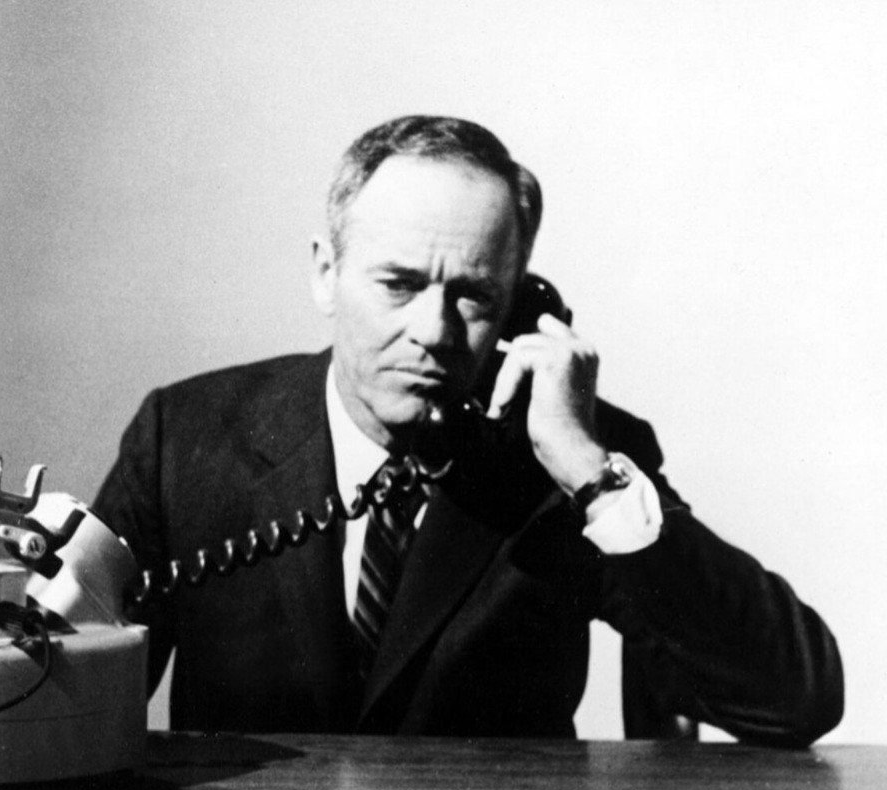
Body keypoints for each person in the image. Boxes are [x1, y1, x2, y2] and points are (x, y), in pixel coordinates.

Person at [91, 115, 841, 746]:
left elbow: (794, 702)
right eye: (399, 284)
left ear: (522, 308)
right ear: (325, 274)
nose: (434, 331)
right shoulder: (185, 438)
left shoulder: (577, 458)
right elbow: (61, 693)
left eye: (475, 296)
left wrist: (585, 470)